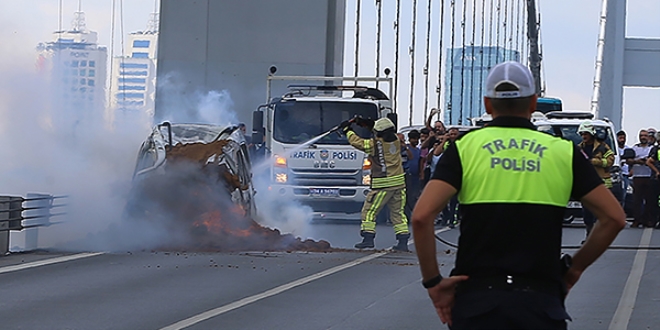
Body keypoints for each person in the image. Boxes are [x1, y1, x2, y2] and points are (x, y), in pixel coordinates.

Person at [412, 61, 626, 329]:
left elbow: (421, 217)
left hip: (477, 302)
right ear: (534, 103)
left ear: (488, 105)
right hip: (539, 303)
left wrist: (434, 283)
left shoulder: (464, 149)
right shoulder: (562, 152)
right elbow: (614, 218)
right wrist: (574, 268)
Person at [340, 117, 410, 251]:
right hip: (399, 184)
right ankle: (402, 242)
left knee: (369, 211)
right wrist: (365, 123)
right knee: (398, 213)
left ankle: (368, 239)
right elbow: (380, 131)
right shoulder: (396, 139)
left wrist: (348, 130)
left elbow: (358, 143)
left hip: (383, 185)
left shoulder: (375, 145)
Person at [577, 120, 615, 239]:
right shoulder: (579, 148)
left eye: (586, 134)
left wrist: (596, 162)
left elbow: (610, 160)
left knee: (599, 212)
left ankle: (599, 236)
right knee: (587, 212)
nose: (584, 136)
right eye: (582, 134)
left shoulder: (602, 147)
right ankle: (589, 235)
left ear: (591, 134)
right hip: (586, 184)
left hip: (601, 183)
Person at [628, 130, 653, 228]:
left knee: (649, 200)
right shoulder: (634, 148)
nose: (643, 137)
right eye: (641, 136)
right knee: (636, 200)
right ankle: (637, 220)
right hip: (637, 177)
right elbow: (628, 160)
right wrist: (636, 161)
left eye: (645, 136)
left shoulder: (652, 148)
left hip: (649, 176)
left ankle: (647, 220)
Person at [646, 131, 660, 228]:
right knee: (653, 200)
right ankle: (654, 220)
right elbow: (649, 162)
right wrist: (657, 172)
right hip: (656, 179)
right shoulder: (656, 150)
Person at [617, 130, 631, 207]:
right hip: (616, 174)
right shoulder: (614, 149)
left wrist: (631, 170)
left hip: (625, 174)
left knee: (624, 195)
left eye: (623, 138)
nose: (622, 139)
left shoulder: (628, 149)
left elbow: (632, 161)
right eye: (620, 138)